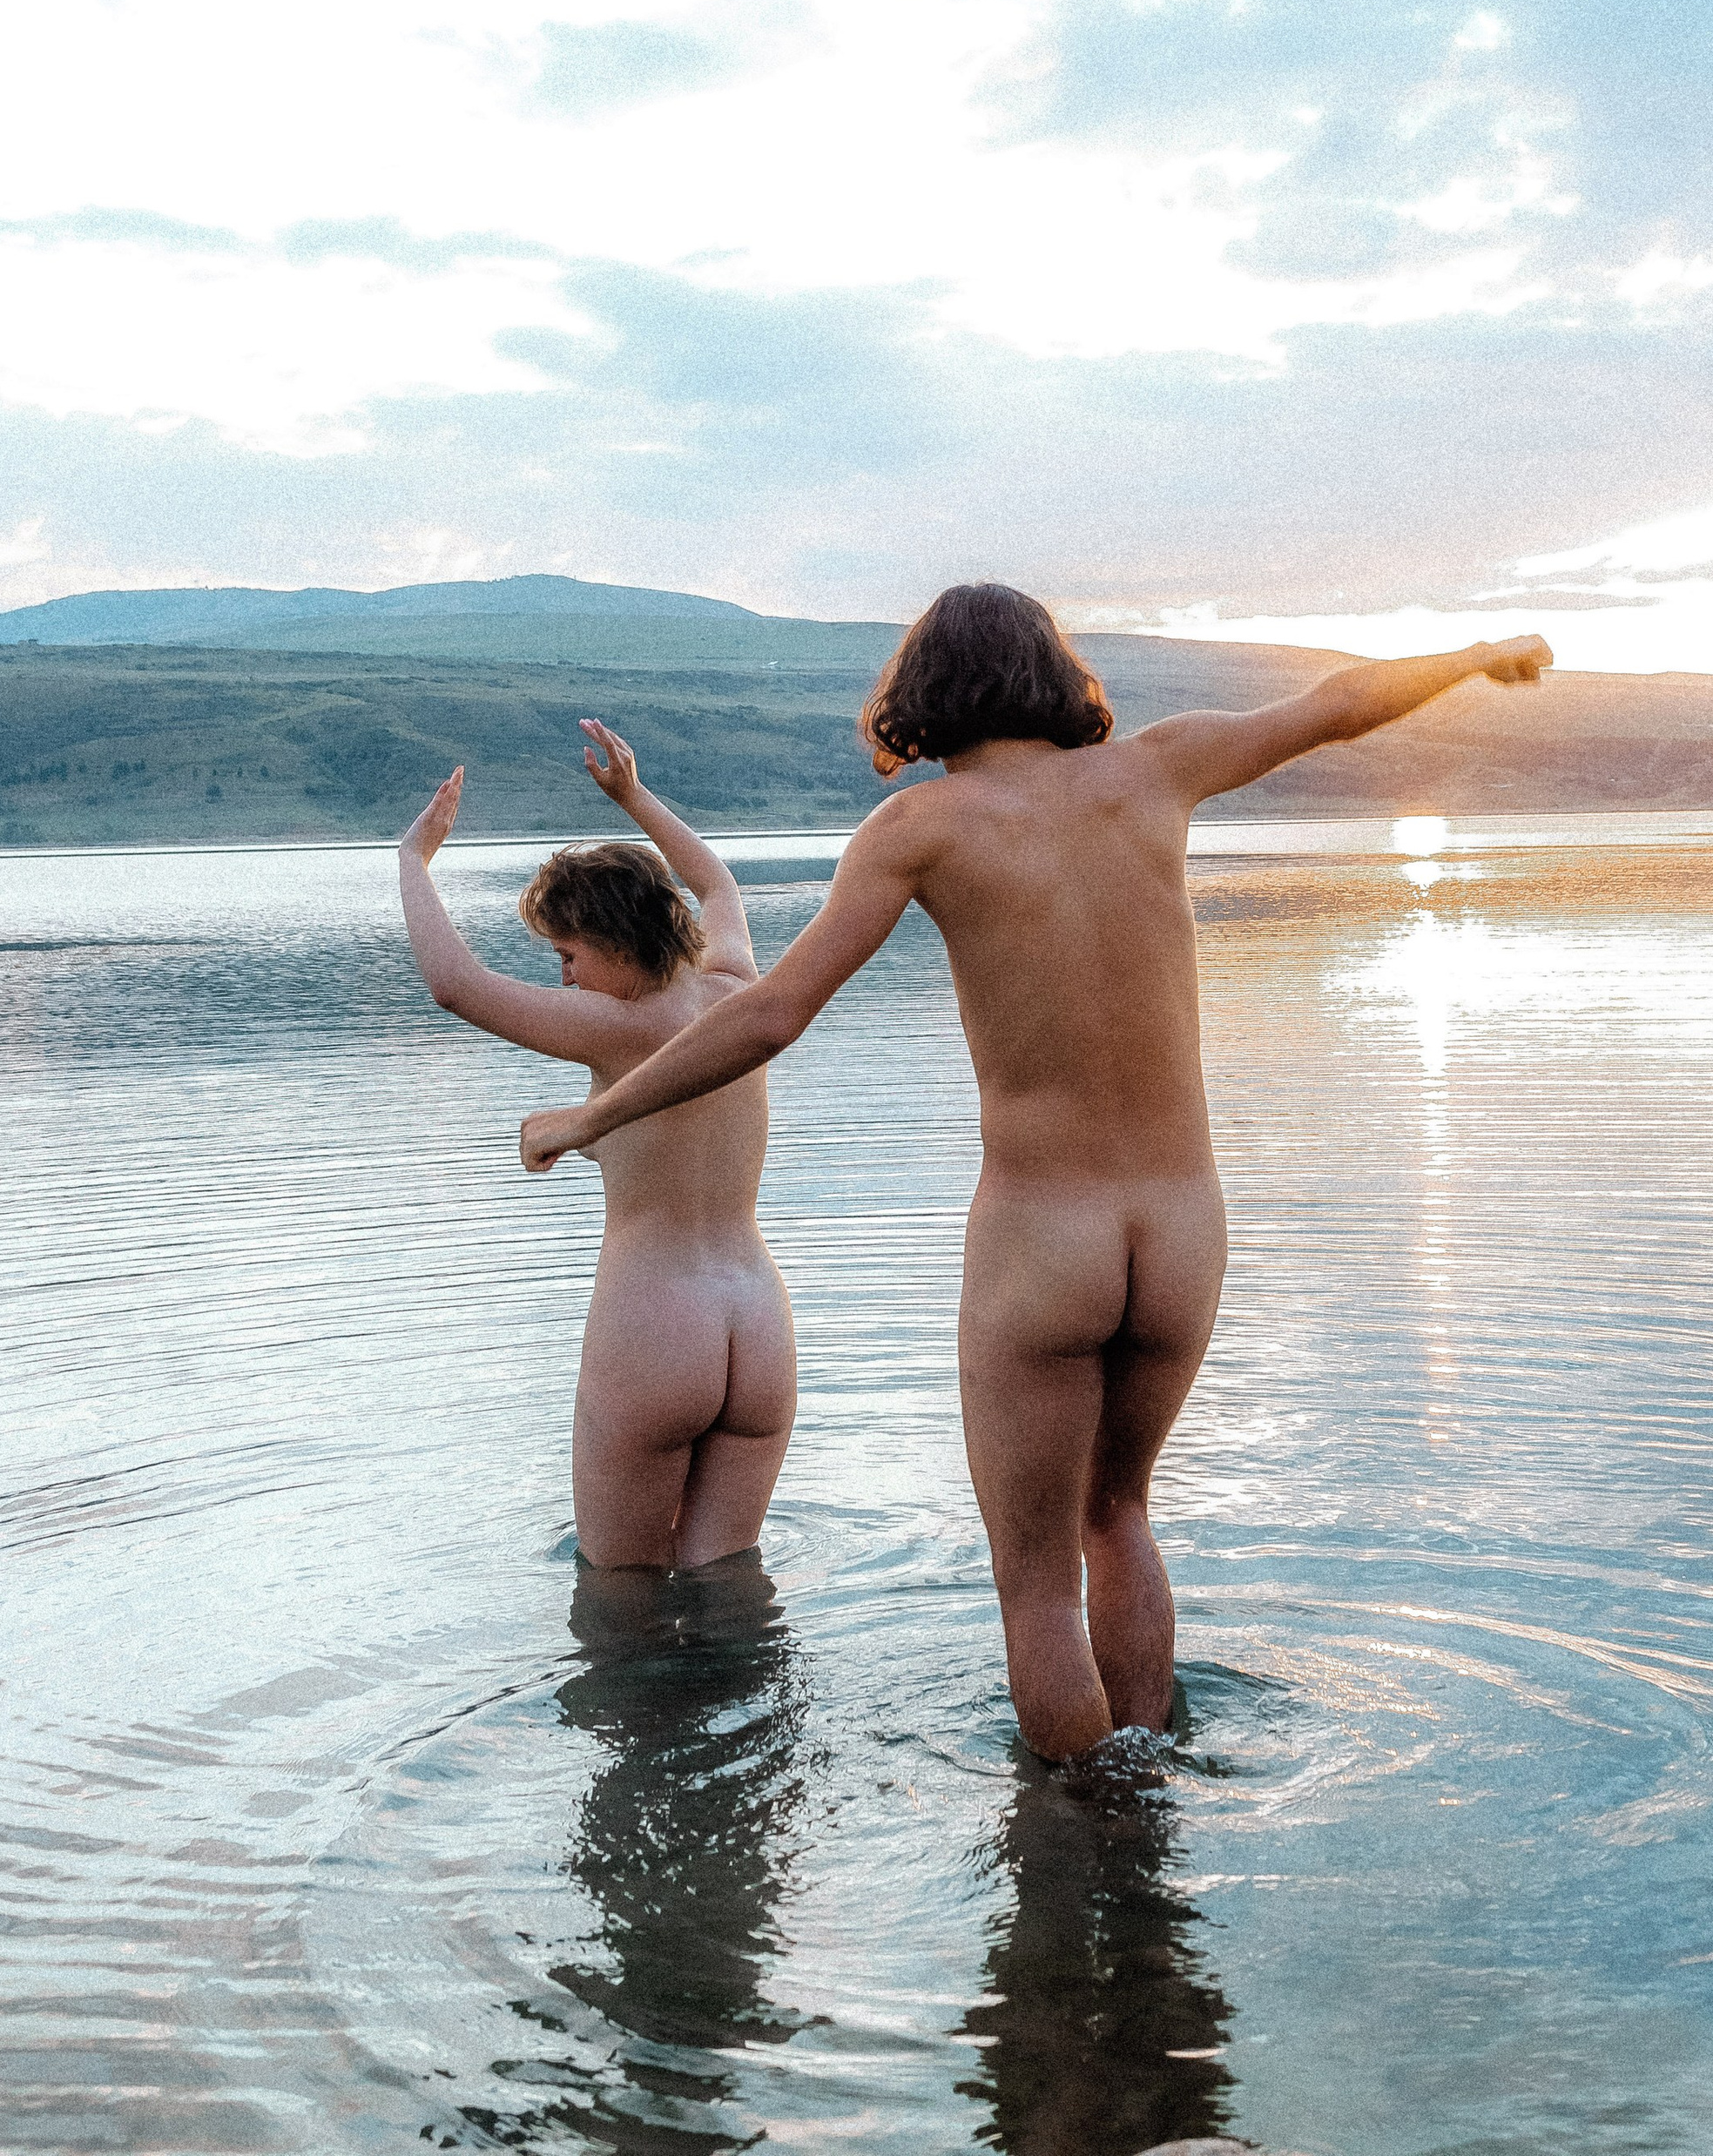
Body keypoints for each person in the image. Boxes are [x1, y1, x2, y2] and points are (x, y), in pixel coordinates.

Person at [516, 589, 1552, 1758]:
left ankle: (1072, 1850)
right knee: (1120, 1518)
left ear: (919, 697)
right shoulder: (1158, 771)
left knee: (1038, 1585)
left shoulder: (923, 827)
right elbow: (1335, 706)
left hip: (1044, 1243)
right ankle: (1149, 1802)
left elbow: (766, 1019)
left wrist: (595, 1114)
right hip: (1181, 1231)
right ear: (1055, 677)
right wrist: (1474, 655)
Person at [398, 721, 795, 1573]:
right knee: (729, 1587)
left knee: (620, 1593)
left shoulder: (614, 1026)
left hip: (657, 1326)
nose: (563, 976)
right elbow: (716, 882)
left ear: (616, 942)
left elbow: (452, 984)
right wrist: (633, 797)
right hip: (757, 1324)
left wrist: (412, 862)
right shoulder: (735, 990)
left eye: (568, 954)